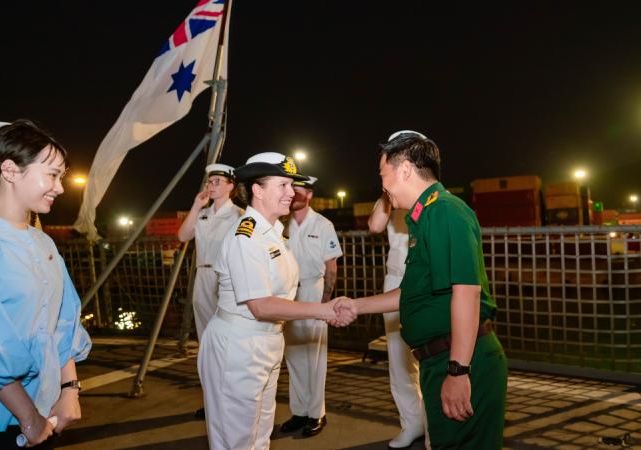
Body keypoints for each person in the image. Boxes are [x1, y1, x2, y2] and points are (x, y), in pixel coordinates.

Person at [334, 130, 507, 449]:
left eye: (382, 176)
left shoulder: (444, 211)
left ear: (404, 171)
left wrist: (457, 371)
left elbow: (466, 293)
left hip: (456, 358)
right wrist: (357, 305)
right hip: (440, 359)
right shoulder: (423, 216)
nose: (382, 187)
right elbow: (412, 292)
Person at [197, 152, 352, 450]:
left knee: (259, 435)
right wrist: (324, 310)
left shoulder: (274, 234)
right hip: (240, 346)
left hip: (266, 342)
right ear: (257, 189)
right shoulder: (247, 236)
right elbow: (261, 305)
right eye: (282, 185)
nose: (291, 193)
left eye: (291, 185)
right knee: (237, 441)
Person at [0, 120, 92, 449]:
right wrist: (28, 416)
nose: (60, 187)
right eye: (52, 175)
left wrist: (70, 388)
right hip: (0, 421)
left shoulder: (43, 244)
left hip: (45, 415)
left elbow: (63, 319)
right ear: (10, 170)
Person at [177, 163, 243, 419]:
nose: (211, 185)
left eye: (217, 181)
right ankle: (212, 401)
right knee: (206, 343)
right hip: (203, 275)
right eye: (209, 181)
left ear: (230, 186)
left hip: (227, 278)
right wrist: (195, 205)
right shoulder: (202, 214)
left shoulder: (239, 215)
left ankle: (232, 401)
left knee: (228, 342)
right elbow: (183, 236)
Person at [279, 176, 343, 438]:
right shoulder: (280, 224)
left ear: (310, 194)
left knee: (315, 358)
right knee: (293, 357)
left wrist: (325, 303)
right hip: (287, 293)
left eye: (298, 189)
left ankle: (317, 414)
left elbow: (331, 267)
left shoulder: (323, 223)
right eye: (289, 189)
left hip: (314, 290)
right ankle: (299, 411)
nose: (293, 194)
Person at [367, 193, 427, 449]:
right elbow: (375, 226)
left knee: (431, 354)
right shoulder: (388, 197)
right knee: (398, 357)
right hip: (395, 277)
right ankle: (412, 423)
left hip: (425, 277)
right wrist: (387, 194)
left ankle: (434, 423)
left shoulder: (430, 194)